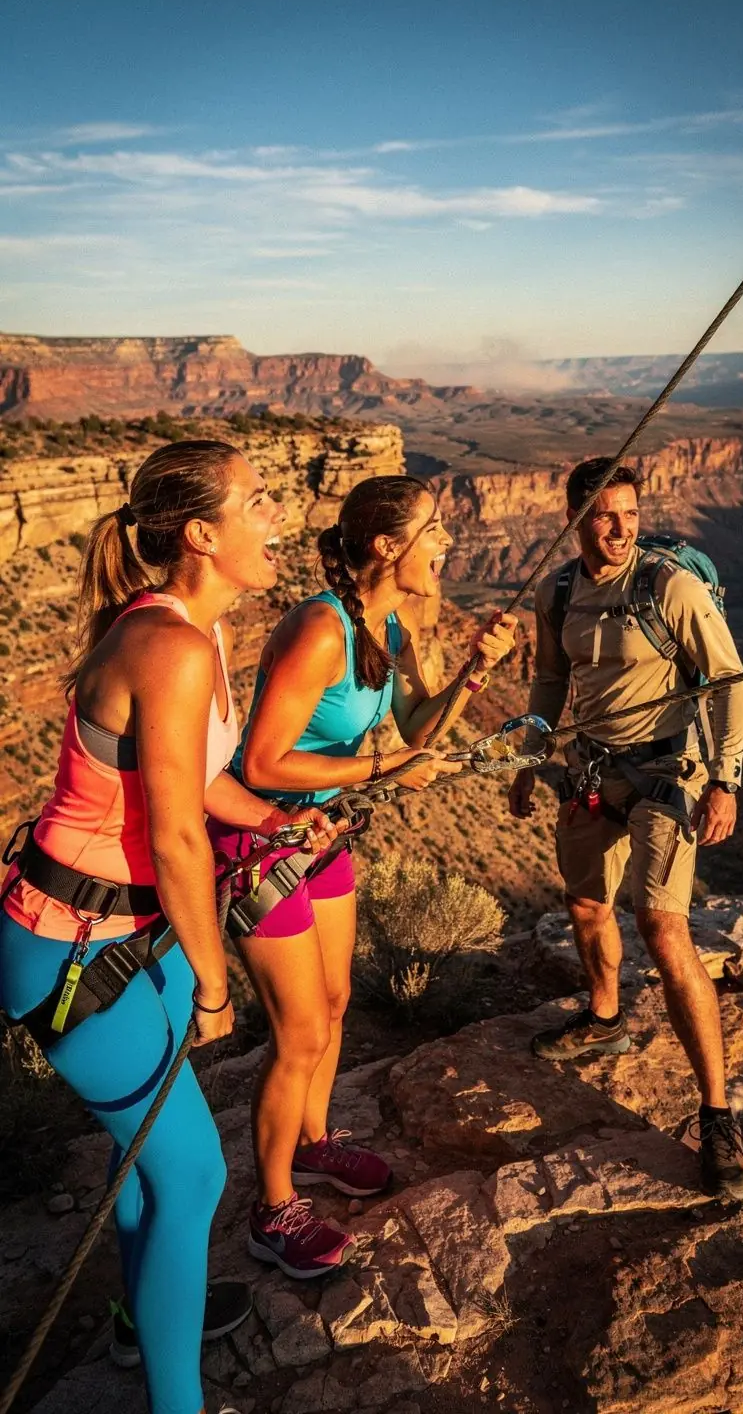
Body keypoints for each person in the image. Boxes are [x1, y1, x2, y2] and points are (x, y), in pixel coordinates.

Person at [0, 440, 337, 1414]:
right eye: (258, 501)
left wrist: (278, 822)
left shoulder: (200, 631)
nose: (277, 517)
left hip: (134, 938)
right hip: (74, 949)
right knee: (192, 1175)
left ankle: (142, 1321)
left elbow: (203, 784)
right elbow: (179, 838)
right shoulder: (173, 647)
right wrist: (218, 981)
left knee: (146, 1169)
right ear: (201, 533)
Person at [209, 474, 517, 1277]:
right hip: (264, 842)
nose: (450, 541)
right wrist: (381, 765)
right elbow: (267, 759)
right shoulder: (320, 628)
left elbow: (417, 729)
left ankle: (312, 1145)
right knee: (300, 1031)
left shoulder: (393, 621)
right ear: (387, 545)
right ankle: (271, 1210)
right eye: (435, 528)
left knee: (338, 1002)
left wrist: (474, 675)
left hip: (325, 835)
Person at [508, 456, 743, 1201]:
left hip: (669, 772)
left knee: (662, 925)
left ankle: (717, 1116)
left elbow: (727, 680)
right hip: (591, 767)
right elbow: (552, 680)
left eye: (631, 515)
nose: (620, 530)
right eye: (605, 516)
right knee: (585, 908)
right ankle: (606, 1016)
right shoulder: (559, 592)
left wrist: (726, 778)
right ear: (575, 520)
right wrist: (530, 756)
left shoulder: (667, 586)